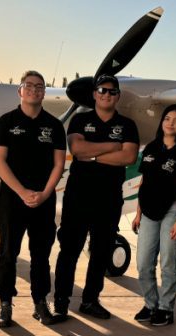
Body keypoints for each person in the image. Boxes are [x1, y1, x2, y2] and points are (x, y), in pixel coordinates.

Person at [54, 75, 139, 320]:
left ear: (118, 95)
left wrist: (92, 154)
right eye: (102, 90)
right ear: (94, 94)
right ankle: (61, 300)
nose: (106, 94)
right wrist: (113, 146)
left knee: (101, 251)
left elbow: (128, 157)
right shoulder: (80, 120)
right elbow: (77, 150)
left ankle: (90, 300)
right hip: (78, 196)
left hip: (109, 198)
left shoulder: (128, 124)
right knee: (69, 249)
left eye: (112, 91)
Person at [0, 70, 66, 327]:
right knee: (8, 253)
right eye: (29, 85)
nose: (34, 89)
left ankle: (40, 303)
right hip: (12, 199)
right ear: (20, 90)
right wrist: (22, 192)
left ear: (44, 92)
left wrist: (45, 193)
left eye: (40, 86)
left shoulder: (54, 126)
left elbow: (59, 164)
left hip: (43, 200)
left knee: (41, 255)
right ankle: (5, 304)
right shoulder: (6, 122)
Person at [131, 104, 176, 326]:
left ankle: (166, 308)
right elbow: (143, 182)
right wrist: (138, 214)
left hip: (172, 209)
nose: (171, 123)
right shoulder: (150, 149)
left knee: (168, 261)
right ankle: (150, 304)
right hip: (148, 211)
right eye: (167, 118)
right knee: (143, 262)